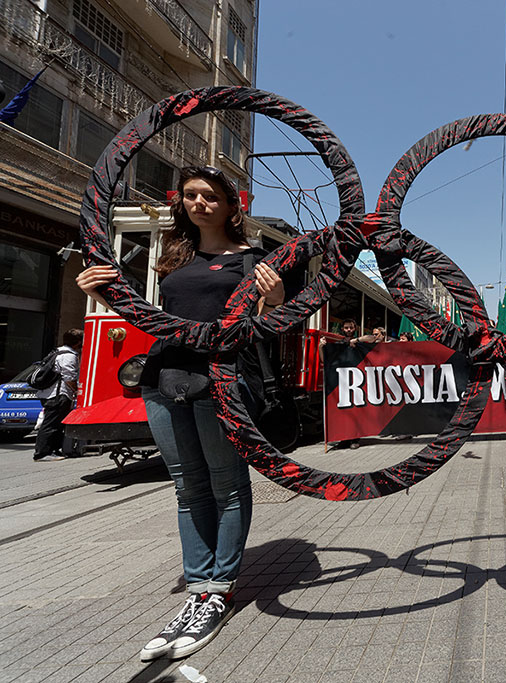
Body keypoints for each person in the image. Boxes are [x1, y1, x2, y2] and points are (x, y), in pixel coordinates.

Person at [77, 165, 285, 660]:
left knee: (226, 484)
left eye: (211, 196)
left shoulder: (252, 260)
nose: (199, 203)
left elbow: (271, 320)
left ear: (233, 206)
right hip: (164, 378)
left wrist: (274, 295)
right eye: (191, 195)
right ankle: (199, 588)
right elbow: (152, 315)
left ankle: (218, 590)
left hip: (222, 380)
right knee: (188, 487)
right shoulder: (173, 258)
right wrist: (99, 289)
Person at [32, 328, 84, 462]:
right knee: (50, 424)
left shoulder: (57, 351)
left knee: (56, 424)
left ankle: (53, 450)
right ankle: (42, 453)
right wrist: (77, 392)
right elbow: (69, 378)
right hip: (58, 395)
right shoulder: (69, 356)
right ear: (78, 342)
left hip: (49, 394)